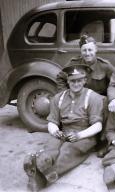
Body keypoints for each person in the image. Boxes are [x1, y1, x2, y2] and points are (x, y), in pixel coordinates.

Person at [23, 62, 105, 191]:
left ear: (84, 80)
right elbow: (52, 121)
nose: (76, 84)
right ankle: (42, 162)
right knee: (51, 147)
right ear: (68, 81)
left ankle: (39, 176)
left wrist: (79, 135)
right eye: (72, 81)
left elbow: (98, 125)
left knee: (68, 151)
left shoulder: (93, 97)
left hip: (84, 135)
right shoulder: (58, 98)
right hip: (64, 131)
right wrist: (55, 131)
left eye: (79, 80)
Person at [56, 34, 115, 158]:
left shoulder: (104, 65)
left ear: (96, 50)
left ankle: (103, 143)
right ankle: (80, 138)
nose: (87, 53)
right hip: (79, 99)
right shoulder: (73, 63)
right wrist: (64, 95)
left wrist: (112, 99)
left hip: (98, 101)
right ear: (80, 51)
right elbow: (61, 78)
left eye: (90, 50)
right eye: (84, 50)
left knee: (106, 105)